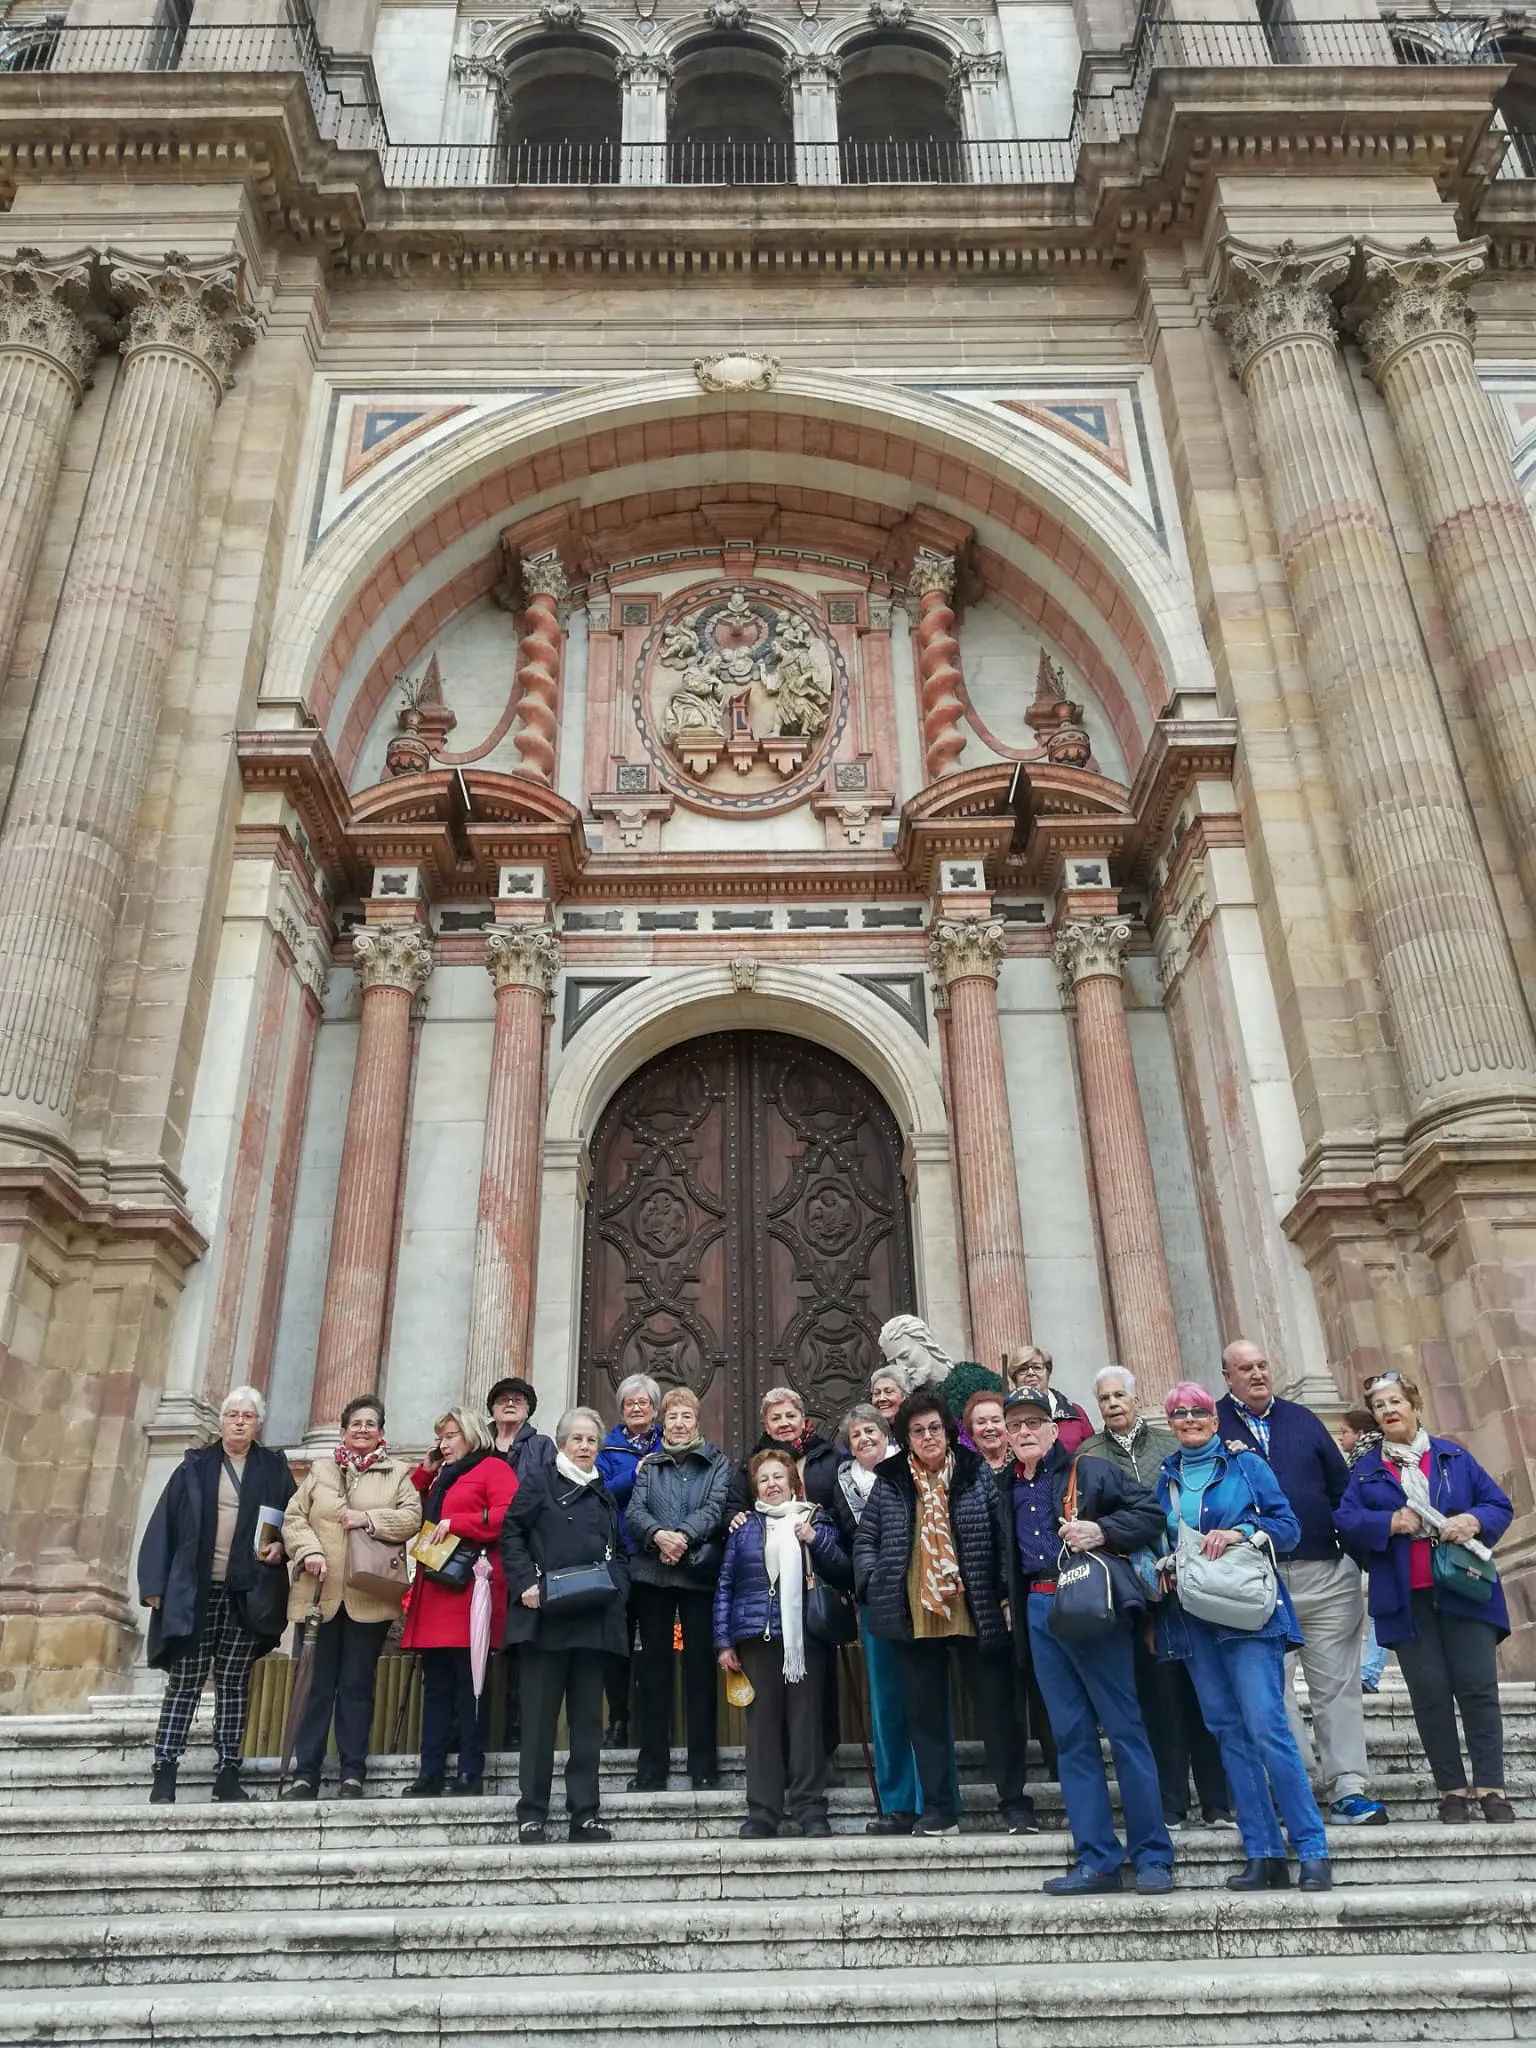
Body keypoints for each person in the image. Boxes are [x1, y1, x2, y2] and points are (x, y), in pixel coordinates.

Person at [1156, 1381, 1332, 1891]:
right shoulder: (1165, 1478)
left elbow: (1288, 1526)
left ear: (1215, 1419)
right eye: (1178, 1413)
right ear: (1171, 1424)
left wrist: (1241, 1533)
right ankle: (1264, 1853)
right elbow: (1154, 1539)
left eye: (1198, 1411)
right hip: (1191, 1617)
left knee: (1267, 1727)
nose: (1189, 1419)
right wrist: (1158, 1566)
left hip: (1248, 1614)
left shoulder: (1247, 1465)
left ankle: (1312, 1848)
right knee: (1227, 1730)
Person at [999, 1386, 1174, 1893]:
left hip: (1092, 1604)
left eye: (1035, 1422)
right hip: (1038, 1608)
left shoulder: (1091, 1470)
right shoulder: (1002, 1486)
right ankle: (1097, 1859)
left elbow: (1150, 1513)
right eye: (1017, 1425)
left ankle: (1152, 1856)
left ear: (1055, 1428)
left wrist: (1102, 1531)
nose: (1025, 1432)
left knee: (1125, 1730)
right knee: (1072, 1739)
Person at [1217, 1337, 1386, 1826]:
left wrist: (1353, 1557)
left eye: (1262, 1364)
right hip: (1260, 1580)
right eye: (1244, 1368)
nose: (1256, 1374)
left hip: (1325, 1572)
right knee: (1275, 1691)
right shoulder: (1215, 1425)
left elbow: (1342, 1490)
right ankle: (1298, 1784)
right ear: (1227, 1376)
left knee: (1337, 1687)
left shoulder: (1302, 1419)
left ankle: (1349, 1788)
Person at [1335, 1373, 1515, 1824]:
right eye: (1380, 1407)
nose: (1389, 1411)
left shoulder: (1454, 1456)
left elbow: (1498, 1505)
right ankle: (1451, 1790)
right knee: (1430, 1694)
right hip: (1407, 1598)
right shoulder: (1367, 1469)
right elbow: (1346, 1521)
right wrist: (1388, 1523)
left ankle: (1491, 1788)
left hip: (1465, 1590)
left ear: (1415, 1406)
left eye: (1396, 1402)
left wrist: (1472, 1521)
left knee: (1477, 1688)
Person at [853, 1388, 1023, 1837]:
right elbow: (866, 1540)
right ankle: (939, 1809)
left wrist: (1005, 1595)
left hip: (974, 1606)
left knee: (995, 1710)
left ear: (948, 1432)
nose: (928, 1437)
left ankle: (1015, 1803)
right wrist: (873, 1580)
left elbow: (1002, 1536)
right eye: (917, 1430)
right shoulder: (890, 1478)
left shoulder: (975, 1473)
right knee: (924, 1716)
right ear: (905, 1438)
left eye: (934, 1428)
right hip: (913, 1611)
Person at [1081, 1365, 1231, 1831]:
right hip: (1134, 1594)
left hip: (1190, 1585)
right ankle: (1171, 1803)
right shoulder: (1088, 1455)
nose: (1112, 1405)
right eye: (1103, 1399)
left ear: (1133, 1396)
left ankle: (1218, 1802)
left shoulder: (1169, 1447)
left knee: (1202, 1694)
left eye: (1118, 1396)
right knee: (1158, 1700)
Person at [138, 1386, 295, 1804]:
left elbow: (292, 1520)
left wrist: (285, 1546)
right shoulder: (196, 1466)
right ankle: (165, 1770)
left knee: (233, 1683)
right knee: (185, 1681)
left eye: (247, 1415)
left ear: (258, 1423)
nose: (239, 1421)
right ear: (221, 1421)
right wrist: (154, 1586)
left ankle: (228, 1772)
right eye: (232, 1415)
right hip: (194, 1589)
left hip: (248, 1590)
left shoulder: (274, 1469)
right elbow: (163, 1524)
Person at [280, 1395, 422, 1800]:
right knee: (315, 1684)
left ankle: (352, 1773)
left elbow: (412, 1518)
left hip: (368, 1595)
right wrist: (309, 1551)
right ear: (342, 1431)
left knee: (357, 1685)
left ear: (381, 1432)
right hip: (320, 1594)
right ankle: (305, 1773)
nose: (363, 1429)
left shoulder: (396, 1473)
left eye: (370, 1424)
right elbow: (294, 1518)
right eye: (355, 1423)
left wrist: (370, 1519)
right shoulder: (321, 1472)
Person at [501, 1405, 630, 1844]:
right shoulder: (539, 1481)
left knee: (588, 1724)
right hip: (545, 1616)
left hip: (592, 1618)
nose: (585, 1446)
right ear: (561, 1444)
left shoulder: (603, 1491)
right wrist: (524, 1585)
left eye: (592, 1440)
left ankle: (585, 1814)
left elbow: (618, 1550)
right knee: (538, 1722)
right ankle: (532, 1813)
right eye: (576, 1439)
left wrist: (618, 1586)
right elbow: (511, 1533)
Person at [830, 1402, 958, 1833]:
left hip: (927, 1598)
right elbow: (860, 1539)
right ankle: (900, 1802)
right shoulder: (841, 1483)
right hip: (880, 1602)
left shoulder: (912, 1469)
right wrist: (867, 1580)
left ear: (887, 1435)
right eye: (856, 1436)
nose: (865, 1439)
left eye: (872, 1431)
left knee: (927, 1701)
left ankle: (937, 1799)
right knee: (887, 1703)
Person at [714, 1448, 850, 1838]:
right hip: (758, 1638)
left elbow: (842, 1568)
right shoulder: (742, 1528)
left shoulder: (815, 1518)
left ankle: (810, 1808)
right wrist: (723, 1642)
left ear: (792, 1482)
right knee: (763, 1728)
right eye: (764, 1479)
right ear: (755, 1487)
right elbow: (726, 1586)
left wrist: (815, 1541)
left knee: (806, 1724)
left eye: (778, 1477)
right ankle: (763, 1811)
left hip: (805, 1639)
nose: (772, 1485)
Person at [400, 1406, 518, 1797]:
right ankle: (429, 1771)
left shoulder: (492, 1469)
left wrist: (460, 1523)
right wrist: (426, 1470)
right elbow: (413, 1510)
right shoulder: (440, 1478)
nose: (444, 1443)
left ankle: (470, 1771)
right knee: (435, 1685)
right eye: (441, 1436)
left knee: (471, 1686)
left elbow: (510, 1514)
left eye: (451, 1435)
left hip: (469, 1589)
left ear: (471, 1435)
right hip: (435, 1590)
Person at [624, 1384, 731, 1793]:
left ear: (697, 1420)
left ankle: (704, 1766)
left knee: (700, 1672)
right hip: (653, 1576)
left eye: (686, 1416)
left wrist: (681, 1537)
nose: (680, 1423)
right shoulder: (650, 1464)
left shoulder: (716, 1463)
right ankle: (652, 1766)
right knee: (653, 1672)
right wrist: (659, 1536)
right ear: (662, 1423)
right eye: (672, 1416)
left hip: (696, 1578)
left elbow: (716, 1507)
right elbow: (636, 1509)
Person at [963, 1387, 1054, 1811]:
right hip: (987, 1608)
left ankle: (1062, 1781)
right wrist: (999, 1597)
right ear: (970, 1431)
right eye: (979, 1422)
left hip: (1039, 1598)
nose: (990, 1427)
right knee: (1000, 1707)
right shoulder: (964, 1477)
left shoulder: (1032, 1470)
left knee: (1051, 1696)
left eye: (996, 1419)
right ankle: (1012, 1795)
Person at [485, 1375, 554, 1746]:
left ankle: (517, 1729)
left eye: (518, 1400)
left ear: (528, 1410)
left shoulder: (541, 1447)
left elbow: (550, 1495)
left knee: (523, 1640)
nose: (510, 1404)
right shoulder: (479, 1448)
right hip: (480, 1558)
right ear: (493, 1409)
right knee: (482, 1638)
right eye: (503, 1400)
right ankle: (477, 1731)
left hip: (524, 1557)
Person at [596, 1373, 664, 1748]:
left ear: (655, 1409)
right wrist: (633, 1473)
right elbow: (599, 1493)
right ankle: (618, 1718)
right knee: (616, 1644)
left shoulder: (669, 1441)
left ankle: (653, 1723)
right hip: (619, 1556)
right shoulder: (607, 1450)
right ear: (621, 1410)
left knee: (656, 1646)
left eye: (644, 1403)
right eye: (629, 1404)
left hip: (657, 1558)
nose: (637, 1408)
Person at [1340, 1407, 1388, 1694]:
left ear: (1359, 1434)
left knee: (1382, 1611)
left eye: (1344, 1432)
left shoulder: (1370, 1460)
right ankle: (1369, 1672)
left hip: (1386, 1542)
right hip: (1377, 1543)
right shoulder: (1361, 1460)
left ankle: (1369, 1673)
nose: (1341, 1438)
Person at [1004, 1344, 1093, 1455]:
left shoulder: (1075, 1413)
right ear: (1015, 1378)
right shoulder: (1005, 1417)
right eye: (1023, 1369)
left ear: (1048, 1373)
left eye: (1037, 1367)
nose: (1031, 1373)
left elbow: (1093, 1452)